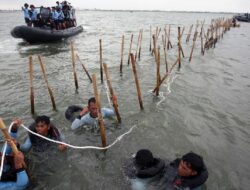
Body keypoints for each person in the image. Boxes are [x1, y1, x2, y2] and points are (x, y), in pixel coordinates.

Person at [124, 150, 208, 190]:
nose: (179, 168)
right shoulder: (173, 166)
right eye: (181, 164)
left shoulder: (193, 186)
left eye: (184, 168)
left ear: (193, 173)